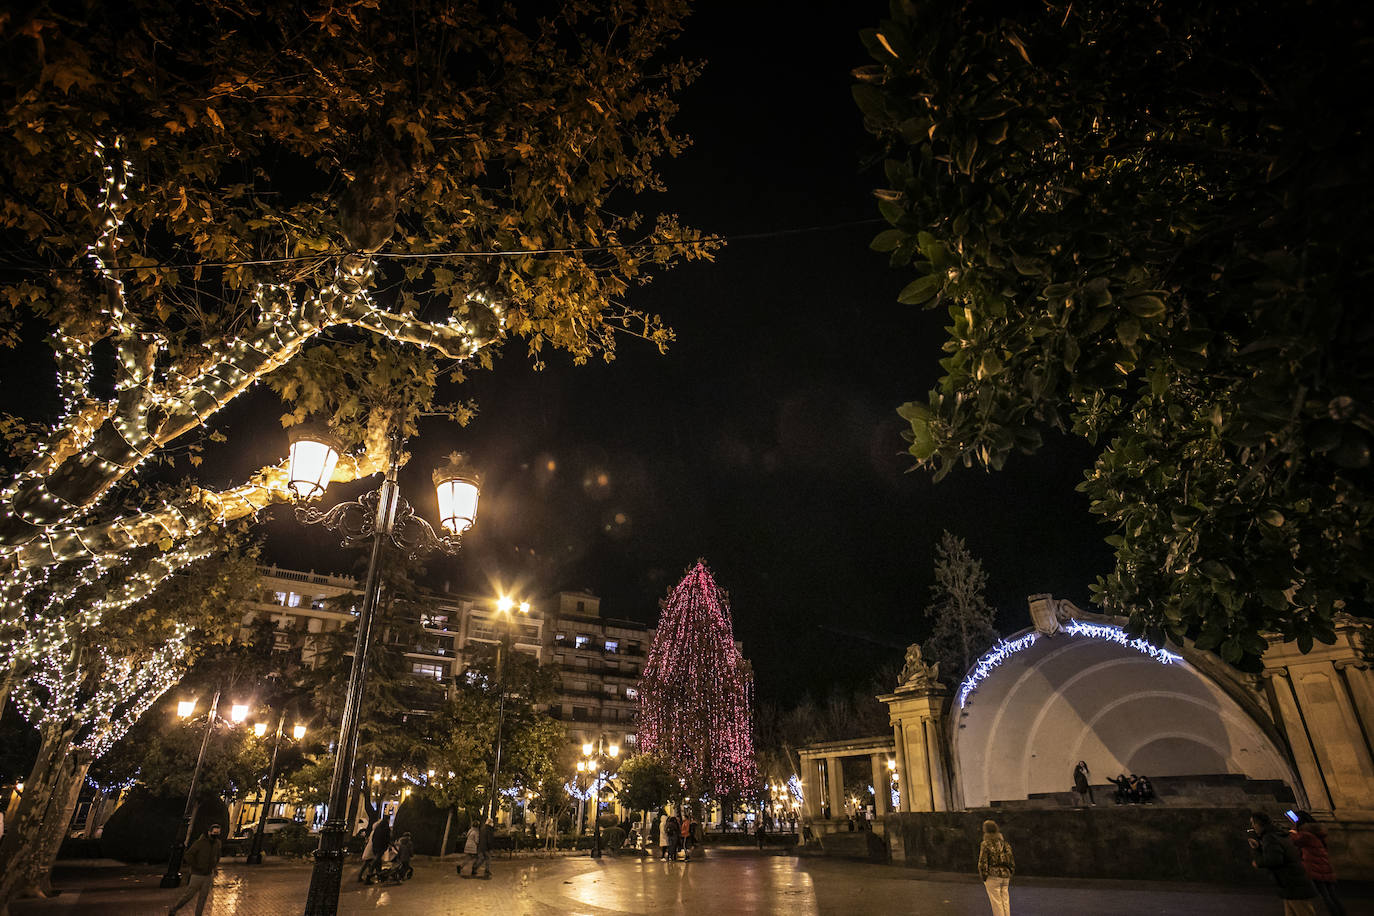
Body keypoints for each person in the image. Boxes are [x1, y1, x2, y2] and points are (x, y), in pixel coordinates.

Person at [1249, 811, 1318, 915]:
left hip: (1292, 883)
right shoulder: (1279, 834)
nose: (1253, 827)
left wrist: (1258, 862)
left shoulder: (1269, 837)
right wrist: (1258, 848)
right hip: (1291, 882)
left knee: (1304, 912)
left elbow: (1274, 860)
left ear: (1259, 824)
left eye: (1253, 823)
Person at [1289, 812, 1344, 916]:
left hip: (1315, 868)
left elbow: (1294, 840)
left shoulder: (1306, 834)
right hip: (1325, 866)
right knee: (1332, 895)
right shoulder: (1317, 831)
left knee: (1325, 896)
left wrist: (1293, 829)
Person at [168, 822, 222, 916]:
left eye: (217, 833)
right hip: (197, 874)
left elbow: (217, 856)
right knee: (188, 895)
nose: (216, 835)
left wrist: (214, 867)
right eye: (214, 833)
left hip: (208, 875)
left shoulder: (217, 843)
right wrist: (196, 866)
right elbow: (188, 855)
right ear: (209, 832)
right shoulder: (200, 843)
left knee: (203, 898)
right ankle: (174, 909)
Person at [977, 819, 1014, 916]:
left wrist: (984, 876)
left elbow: (983, 862)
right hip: (1005, 875)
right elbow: (1011, 859)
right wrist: (1010, 872)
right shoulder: (1004, 843)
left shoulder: (985, 844)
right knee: (1005, 900)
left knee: (996, 902)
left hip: (993, 876)